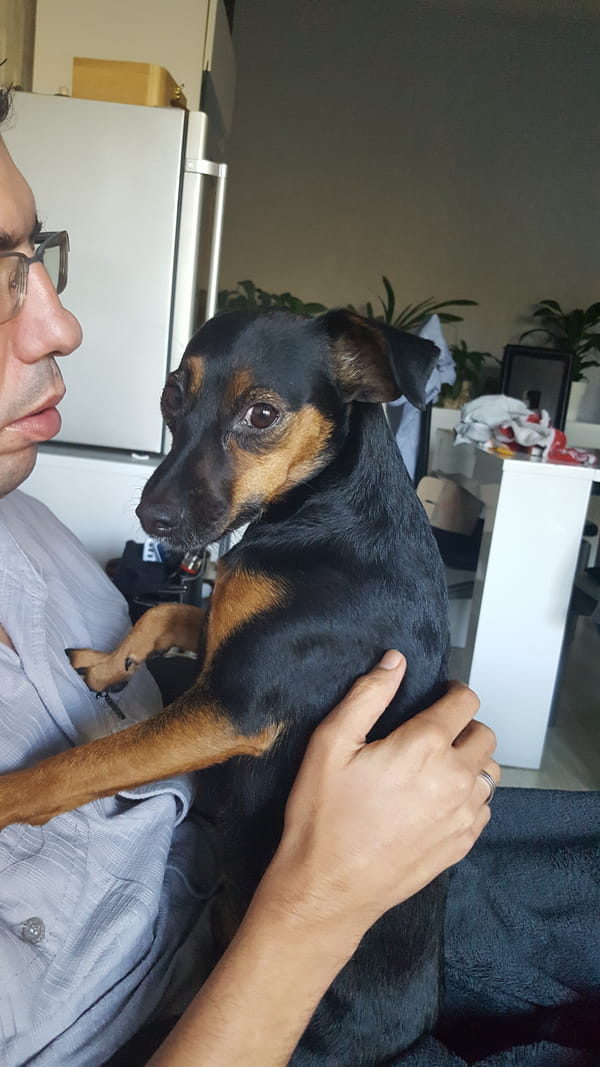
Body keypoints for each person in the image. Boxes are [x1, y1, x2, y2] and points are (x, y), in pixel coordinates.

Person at [0, 85, 499, 1066]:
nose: (62, 325)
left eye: (256, 420)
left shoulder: (34, 526)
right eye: (180, 407)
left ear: (354, 399)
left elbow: (251, 688)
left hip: (333, 977)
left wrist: (165, 629)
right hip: (279, 987)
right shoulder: (315, 551)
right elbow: (249, 695)